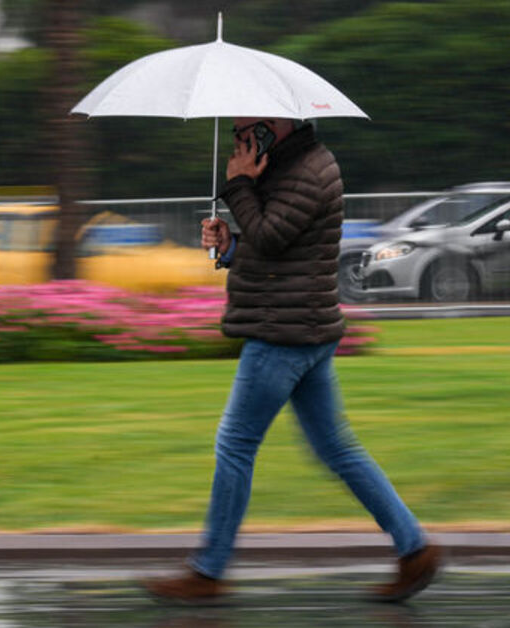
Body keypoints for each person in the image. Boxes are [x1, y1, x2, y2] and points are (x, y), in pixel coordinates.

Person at [143, 117, 442, 604]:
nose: (238, 129)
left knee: (235, 444)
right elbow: (275, 252)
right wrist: (229, 246)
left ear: (276, 122)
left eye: (246, 122)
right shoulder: (288, 166)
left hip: (283, 333)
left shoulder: (308, 170)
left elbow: (272, 235)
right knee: (336, 450)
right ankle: (415, 549)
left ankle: (207, 572)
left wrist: (239, 184)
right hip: (302, 325)